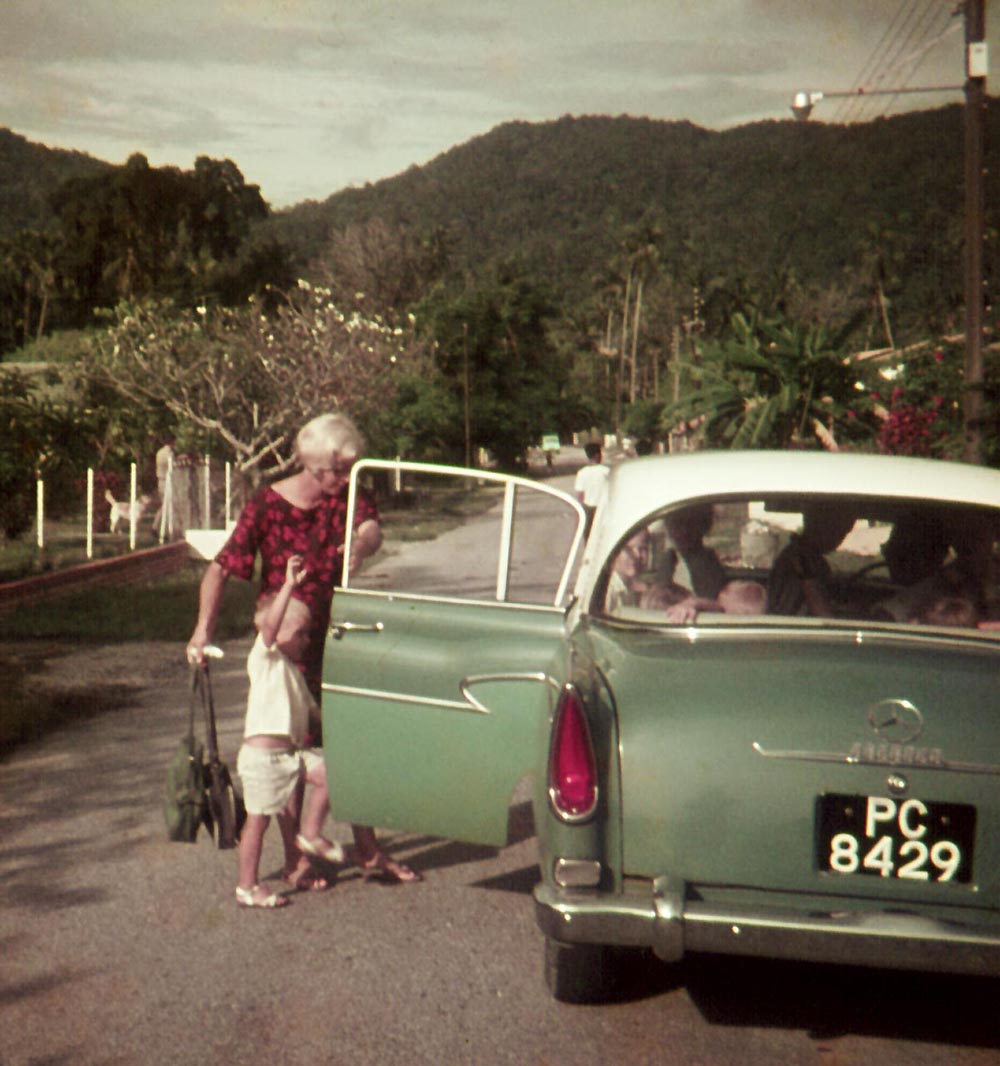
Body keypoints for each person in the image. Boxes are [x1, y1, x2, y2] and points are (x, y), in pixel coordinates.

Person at [187, 412, 421, 885]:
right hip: (287, 649)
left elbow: (371, 527)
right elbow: (221, 568)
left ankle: (368, 850)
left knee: (345, 748)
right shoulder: (268, 504)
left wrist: (360, 542)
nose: (343, 479)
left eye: (349, 470)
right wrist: (201, 632)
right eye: (334, 472)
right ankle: (297, 859)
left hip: (337, 641)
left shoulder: (348, 492)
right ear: (312, 467)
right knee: (287, 751)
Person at [236, 557, 337, 907]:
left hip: (291, 756)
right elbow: (270, 629)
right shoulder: (264, 658)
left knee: (335, 774)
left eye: (310, 633)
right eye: (300, 633)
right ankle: (247, 886)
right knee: (258, 822)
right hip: (263, 758)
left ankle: (309, 833)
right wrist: (289, 585)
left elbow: (316, 715)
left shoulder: (293, 673)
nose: (307, 640)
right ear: (276, 634)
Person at [767, 502, 856, 617]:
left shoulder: (808, 558)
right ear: (822, 527)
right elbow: (822, 614)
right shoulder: (801, 562)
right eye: (840, 531)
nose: (840, 539)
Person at [657, 503, 726, 599]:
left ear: (703, 526)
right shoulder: (669, 560)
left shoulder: (706, 562)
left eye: (690, 524)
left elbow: (710, 599)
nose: (683, 531)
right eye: (676, 524)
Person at [604, 528, 651, 614]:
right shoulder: (608, 593)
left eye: (643, 548)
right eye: (629, 549)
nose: (637, 555)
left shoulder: (634, 589)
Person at [573, 443, 609, 539]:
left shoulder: (582, 473)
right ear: (597, 455)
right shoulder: (606, 472)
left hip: (588, 509)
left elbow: (580, 495)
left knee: (589, 537)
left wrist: (580, 513)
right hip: (604, 508)